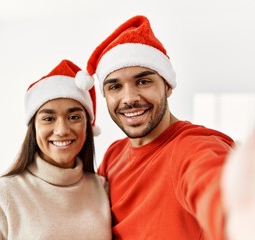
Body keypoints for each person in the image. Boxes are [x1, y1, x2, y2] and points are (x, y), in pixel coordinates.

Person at [74, 15, 255, 239]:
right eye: (115, 87)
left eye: (143, 81)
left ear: (168, 86)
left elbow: (216, 192)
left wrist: (240, 216)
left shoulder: (193, 149)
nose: (129, 98)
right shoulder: (113, 156)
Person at [0, 59, 112, 239]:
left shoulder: (102, 188)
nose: (62, 131)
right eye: (48, 119)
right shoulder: (1, 195)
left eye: (74, 117)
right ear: (34, 127)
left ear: (87, 126)